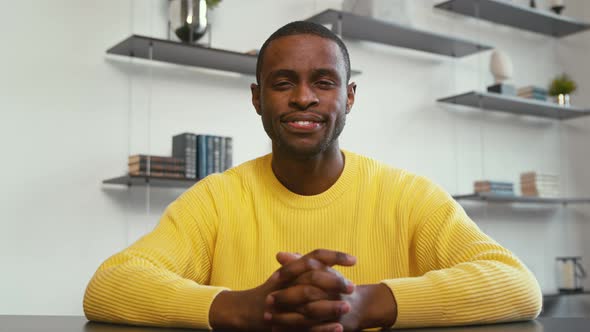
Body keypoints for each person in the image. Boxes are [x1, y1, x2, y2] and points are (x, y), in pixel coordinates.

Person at [84, 21, 542, 332]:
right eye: (283, 83)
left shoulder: (409, 195)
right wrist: (242, 309)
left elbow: (516, 284)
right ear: (257, 98)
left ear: (350, 96)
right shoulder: (215, 199)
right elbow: (110, 285)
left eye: (324, 82)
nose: (304, 98)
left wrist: (362, 304)